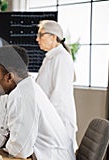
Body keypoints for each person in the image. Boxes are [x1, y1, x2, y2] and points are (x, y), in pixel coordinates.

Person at [36, 20, 78, 151]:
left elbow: (59, 96)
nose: (37, 39)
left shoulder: (61, 58)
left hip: (58, 121)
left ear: (53, 37)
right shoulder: (50, 57)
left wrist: (47, 122)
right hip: (50, 120)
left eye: (41, 35)